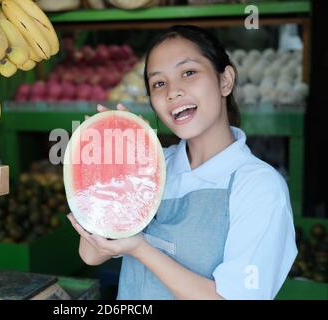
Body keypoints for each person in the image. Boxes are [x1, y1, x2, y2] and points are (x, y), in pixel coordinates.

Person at [67, 25, 297, 300]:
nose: (173, 92)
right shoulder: (151, 165)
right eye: (158, 83)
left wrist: (141, 249)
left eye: (188, 73)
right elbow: (91, 253)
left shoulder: (259, 187)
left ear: (225, 80)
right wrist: (113, 170)